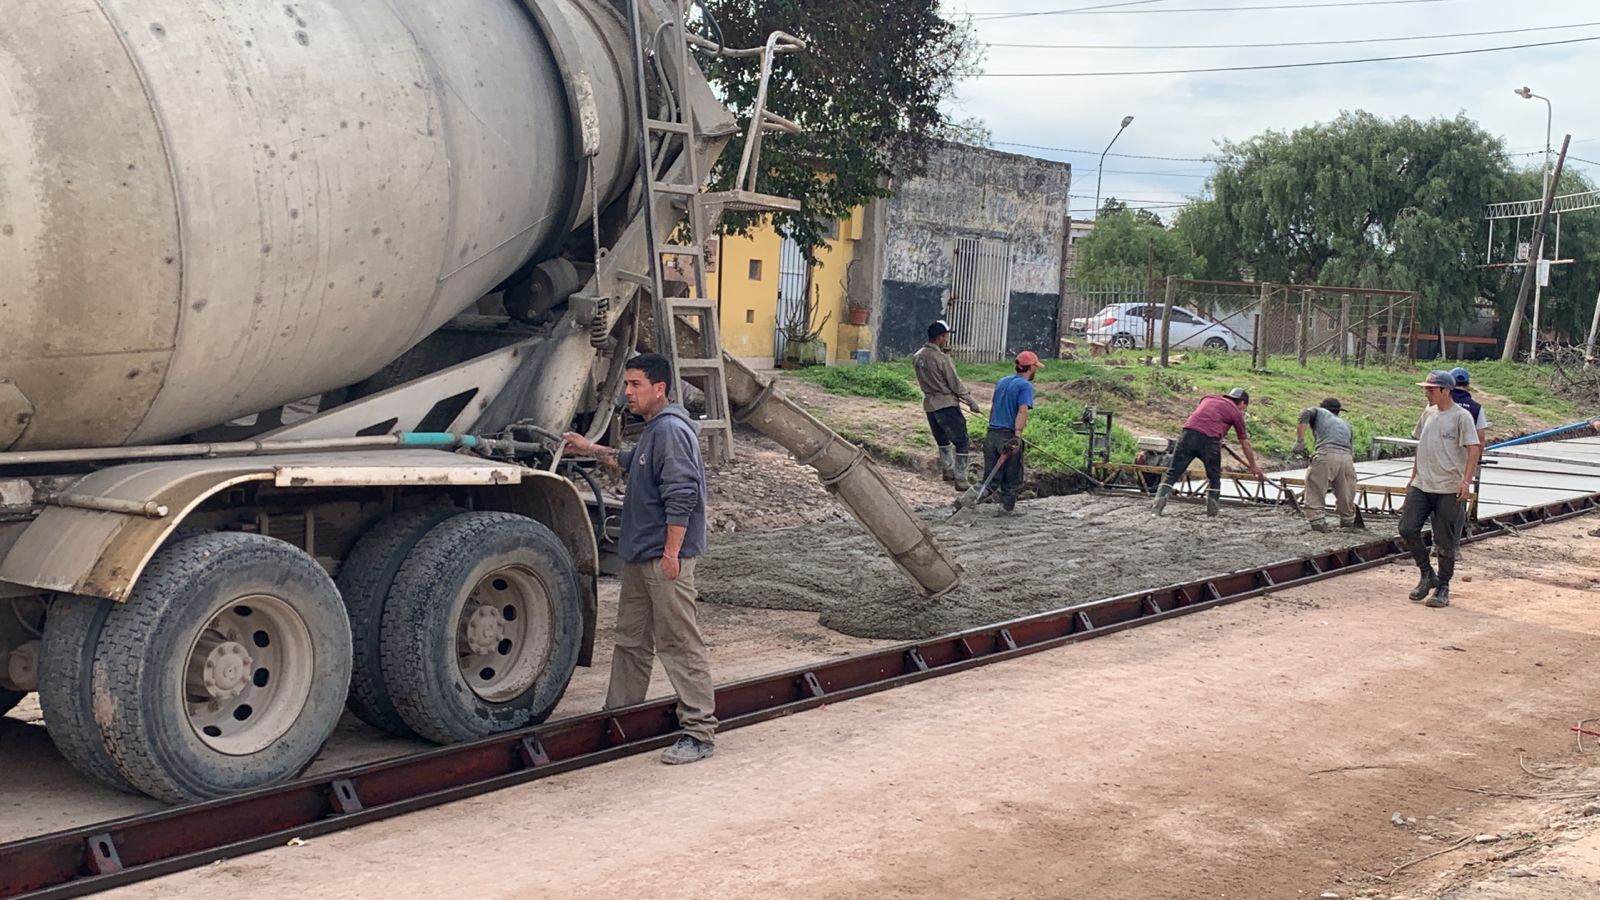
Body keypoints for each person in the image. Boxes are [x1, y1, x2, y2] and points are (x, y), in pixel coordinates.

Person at [561, 352, 717, 765]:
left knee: (678, 642)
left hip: (664, 560)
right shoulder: (652, 432)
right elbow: (629, 463)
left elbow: (683, 493)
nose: (627, 392)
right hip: (640, 556)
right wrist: (588, 447)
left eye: (635, 385)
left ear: (659, 389)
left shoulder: (670, 431)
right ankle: (620, 717)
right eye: (626, 384)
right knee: (631, 642)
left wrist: (671, 554)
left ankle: (699, 732)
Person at [1398, 370, 1482, 609]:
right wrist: (1413, 475)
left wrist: (1466, 481)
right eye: (1426, 389)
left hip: (1449, 487)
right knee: (1407, 527)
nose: (1427, 393)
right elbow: (1421, 445)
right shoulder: (1428, 413)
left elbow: (1473, 449)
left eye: (1431, 389)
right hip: (1423, 483)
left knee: (1444, 540)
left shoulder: (1461, 417)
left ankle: (1443, 585)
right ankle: (1427, 574)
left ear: (1446, 390)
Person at [1152, 388, 1265, 517]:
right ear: (1242, 402)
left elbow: (1206, 418)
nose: (1242, 410)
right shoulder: (1236, 412)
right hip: (1209, 442)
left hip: (1187, 436)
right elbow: (1245, 443)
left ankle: (1156, 509)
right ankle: (1212, 513)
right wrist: (1254, 466)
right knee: (1214, 478)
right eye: (1244, 408)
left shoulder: (1207, 398)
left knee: (1172, 473)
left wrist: (1218, 437)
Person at [913, 320, 982, 490]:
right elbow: (955, 383)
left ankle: (948, 470)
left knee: (942, 439)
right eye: (946, 337)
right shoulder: (942, 359)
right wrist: (970, 401)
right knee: (962, 440)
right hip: (946, 404)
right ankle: (961, 479)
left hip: (929, 404)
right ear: (940, 338)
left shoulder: (918, 356)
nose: (947, 340)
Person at [982, 350, 1041, 517]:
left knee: (989, 479)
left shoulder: (1002, 381)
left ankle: (968, 500)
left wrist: (991, 428)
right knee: (1012, 476)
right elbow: (1022, 411)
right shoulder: (1025, 386)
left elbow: (993, 407)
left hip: (992, 434)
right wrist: (1017, 435)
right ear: (1030, 368)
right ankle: (1006, 508)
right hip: (1008, 436)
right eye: (1035, 367)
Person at [1293, 397, 1358, 532]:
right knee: (1345, 494)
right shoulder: (1346, 425)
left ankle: (1318, 526)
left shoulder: (1319, 412)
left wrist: (1300, 441)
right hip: (1347, 460)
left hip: (1326, 454)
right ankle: (1347, 523)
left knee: (1315, 490)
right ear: (1338, 412)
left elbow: (1304, 413)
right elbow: (1351, 449)